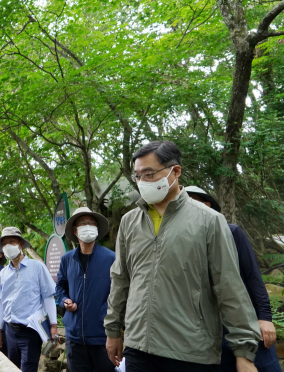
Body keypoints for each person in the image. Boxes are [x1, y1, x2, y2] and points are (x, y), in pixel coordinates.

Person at [105, 140, 261, 372]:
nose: (142, 182)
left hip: (191, 350)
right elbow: (120, 279)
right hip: (138, 346)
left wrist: (244, 352)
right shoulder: (130, 222)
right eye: (137, 176)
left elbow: (228, 286)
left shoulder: (209, 220)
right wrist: (112, 331)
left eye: (149, 174)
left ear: (175, 171)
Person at [185, 186, 282, 372]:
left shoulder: (232, 232)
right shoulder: (182, 242)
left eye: (192, 202)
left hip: (247, 325)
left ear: (207, 206)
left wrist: (265, 318)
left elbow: (253, 277)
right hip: (210, 333)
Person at [56, 208, 115, 372]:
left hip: (102, 336)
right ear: (75, 230)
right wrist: (65, 300)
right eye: (83, 224)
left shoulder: (111, 258)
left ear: (97, 229)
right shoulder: (67, 259)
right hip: (74, 338)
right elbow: (60, 287)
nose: (88, 226)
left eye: (91, 223)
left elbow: (119, 294)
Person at [0, 227, 58, 372]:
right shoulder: (3, 273)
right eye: (5, 243)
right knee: (11, 368)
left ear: (21, 244)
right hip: (9, 331)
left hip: (30, 331)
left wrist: (53, 325)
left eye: (12, 241)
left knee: (28, 369)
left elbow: (48, 297)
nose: (8, 246)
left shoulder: (37, 268)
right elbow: (0, 303)